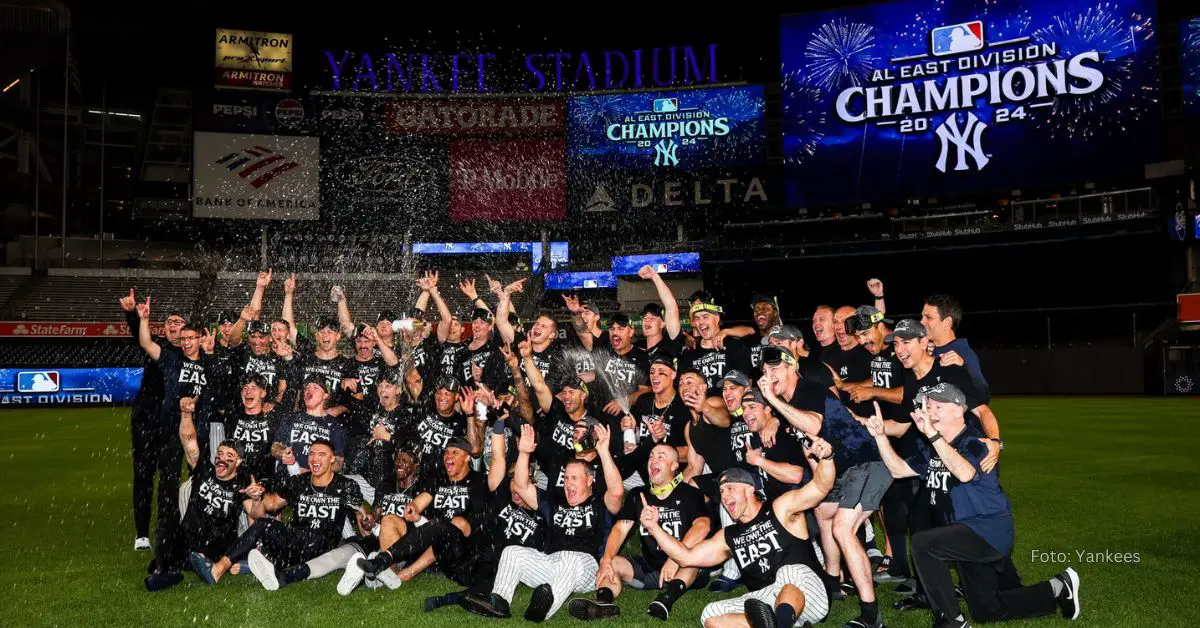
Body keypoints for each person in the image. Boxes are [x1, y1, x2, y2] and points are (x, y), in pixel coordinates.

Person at [865, 386, 1081, 626]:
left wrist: (933, 436)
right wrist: (879, 436)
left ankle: (952, 621)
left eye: (938, 406)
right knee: (986, 610)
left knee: (923, 543)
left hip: (987, 532)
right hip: (962, 537)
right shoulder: (932, 449)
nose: (930, 412)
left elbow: (965, 472)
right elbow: (898, 469)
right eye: (927, 407)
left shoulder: (976, 443)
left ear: (960, 410)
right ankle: (1058, 587)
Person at [759, 345, 889, 628]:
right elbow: (811, 449)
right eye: (765, 372)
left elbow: (813, 425)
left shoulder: (809, 390)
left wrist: (771, 400)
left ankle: (871, 616)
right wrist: (821, 488)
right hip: (841, 469)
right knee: (823, 511)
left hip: (867, 461)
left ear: (792, 367)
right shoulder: (789, 404)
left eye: (775, 369)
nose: (769, 376)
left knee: (843, 528)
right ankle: (833, 583)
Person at [641, 444, 836, 628]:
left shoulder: (780, 509)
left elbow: (820, 487)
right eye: (721, 491)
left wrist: (826, 458)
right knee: (710, 614)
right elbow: (686, 557)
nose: (724, 497)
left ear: (750, 489)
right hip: (768, 598)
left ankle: (779, 621)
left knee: (788, 573)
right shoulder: (729, 536)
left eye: (730, 489)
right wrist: (654, 528)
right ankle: (777, 624)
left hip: (809, 591)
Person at [460, 422, 624, 622]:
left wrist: (604, 452)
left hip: (585, 567)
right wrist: (523, 453)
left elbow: (616, 491)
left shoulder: (599, 503)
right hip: (552, 562)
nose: (568, 483)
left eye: (574, 478)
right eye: (566, 479)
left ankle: (544, 608)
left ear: (590, 480)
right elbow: (521, 486)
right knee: (512, 551)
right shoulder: (554, 501)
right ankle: (499, 601)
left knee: (572, 559)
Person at [190, 439, 371, 587]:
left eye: (322, 455)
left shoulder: (345, 485)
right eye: (312, 454)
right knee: (264, 525)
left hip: (322, 545)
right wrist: (257, 496)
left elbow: (362, 516)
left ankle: (257, 564)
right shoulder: (299, 482)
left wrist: (367, 526)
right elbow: (270, 505)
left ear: (332, 459)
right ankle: (223, 567)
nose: (315, 459)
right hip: (295, 541)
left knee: (289, 537)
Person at [568, 442, 711, 621]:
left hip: (683, 568)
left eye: (661, 457)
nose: (653, 460)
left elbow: (702, 526)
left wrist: (677, 557)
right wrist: (606, 559)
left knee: (691, 561)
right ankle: (603, 603)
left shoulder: (689, 493)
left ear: (674, 465)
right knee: (613, 562)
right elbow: (620, 529)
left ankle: (665, 600)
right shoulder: (638, 494)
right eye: (651, 456)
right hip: (650, 567)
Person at [119, 288, 186, 550]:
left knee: (170, 478)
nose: (172, 325)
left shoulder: (190, 355)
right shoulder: (156, 346)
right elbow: (140, 337)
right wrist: (132, 315)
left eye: (178, 322)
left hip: (171, 423)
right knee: (144, 475)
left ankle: (167, 528)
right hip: (146, 420)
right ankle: (141, 534)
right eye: (169, 321)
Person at [145, 432, 252, 591]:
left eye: (229, 455)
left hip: (216, 546)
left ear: (238, 462)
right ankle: (163, 572)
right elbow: (189, 441)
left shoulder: (242, 482)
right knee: (166, 523)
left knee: (171, 557)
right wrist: (187, 413)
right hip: (189, 539)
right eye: (220, 453)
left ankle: (181, 565)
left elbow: (254, 513)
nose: (221, 458)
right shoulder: (204, 470)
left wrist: (256, 499)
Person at [921, 295, 991, 401]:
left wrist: (963, 367)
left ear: (947, 323)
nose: (922, 322)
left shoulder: (962, 353)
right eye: (922, 316)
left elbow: (983, 394)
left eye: (928, 317)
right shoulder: (929, 350)